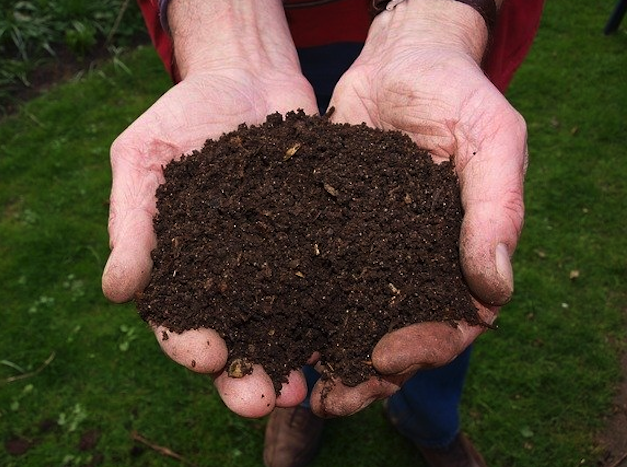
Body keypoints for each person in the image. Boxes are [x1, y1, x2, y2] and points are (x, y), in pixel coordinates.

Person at [102, 0, 544, 466]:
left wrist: (436, 20)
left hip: (436, 25)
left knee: (439, 308)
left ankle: (430, 423)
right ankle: (299, 394)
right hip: (286, 28)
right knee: (305, 331)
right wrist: (229, 29)